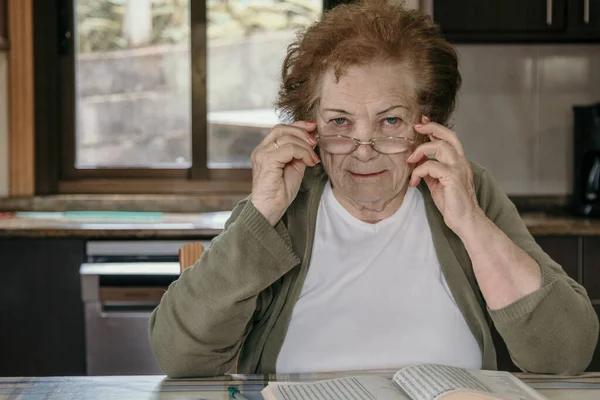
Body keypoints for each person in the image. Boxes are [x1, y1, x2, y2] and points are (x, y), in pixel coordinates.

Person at [149, 0, 598, 378]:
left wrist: (472, 224)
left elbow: (565, 356)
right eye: (340, 122)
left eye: (390, 121)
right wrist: (260, 214)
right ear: (311, 126)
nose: (363, 151)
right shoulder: (288, 199)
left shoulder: (468, 187)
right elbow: (179, 357)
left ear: (427, 123)